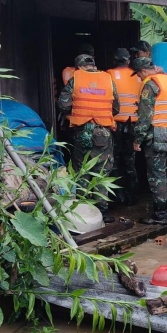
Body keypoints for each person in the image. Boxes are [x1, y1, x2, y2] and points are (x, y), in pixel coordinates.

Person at [57, 53, 118, 215]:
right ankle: (102, 211)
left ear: (79, 67)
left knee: (81, 169)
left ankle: (84, 210)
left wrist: (78, 112)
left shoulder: (75, 79)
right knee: (102, 170)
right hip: (103, 131)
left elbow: (63, 104)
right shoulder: (108, 79)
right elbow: (116, 107)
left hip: (82, 131)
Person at [132, 57, 167, 225]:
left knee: (157, 175)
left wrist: (138, 139)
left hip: (157, 135)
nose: (139, 77)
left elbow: (145, 116)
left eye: (139, 74)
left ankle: (160, 215)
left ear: (144, 71)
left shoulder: (151, 84)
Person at [108, 47, 141, 206]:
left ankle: (117, 196)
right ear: (128, 61)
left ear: (114, 60)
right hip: (133, 123)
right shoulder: (139, 76)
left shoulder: (108, 75)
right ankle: (132, 196)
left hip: (114, 124)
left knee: (113, 160)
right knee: (130, 161)